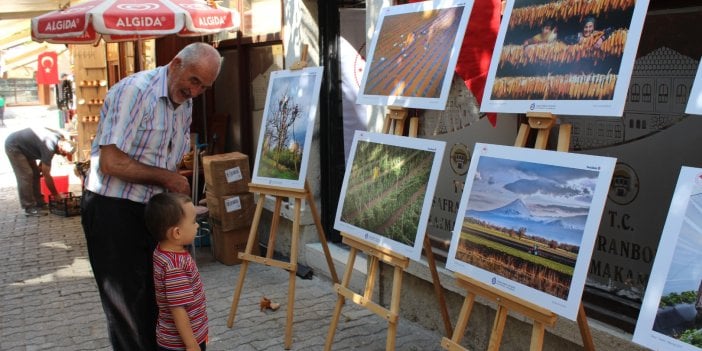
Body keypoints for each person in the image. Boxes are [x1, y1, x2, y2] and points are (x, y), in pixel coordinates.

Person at [80, 42, 222, 351]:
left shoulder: (186, 100)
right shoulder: (134, 92)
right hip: (112, 207)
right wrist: (167, 178)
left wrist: (180, 205)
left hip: (151, 207)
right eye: (194, 81)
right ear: (175, 64)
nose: (195, 91)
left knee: (160, 298)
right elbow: (111, 163)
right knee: (128, 307)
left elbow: (171, 156)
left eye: (204, 87)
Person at [145, 192, 208, 351]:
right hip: (181, 344)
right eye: (193, 222)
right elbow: (178, 310)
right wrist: (192, 344)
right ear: (177, 233)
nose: (197, 225)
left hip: (180, 338)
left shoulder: (161, 251)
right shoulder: (175, 266)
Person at [4, 127, 76, 216]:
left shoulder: (59, 139)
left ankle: (39, 203)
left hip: (25, 147)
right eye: (63, 153)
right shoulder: (50, 145)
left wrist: (41, 165)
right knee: (26, 175)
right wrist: (55, 194)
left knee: (36, 174)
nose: (63, 155)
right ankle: (29, 207)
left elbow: (46, 153)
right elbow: (47, 175)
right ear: (60, 147)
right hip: (14, 146)